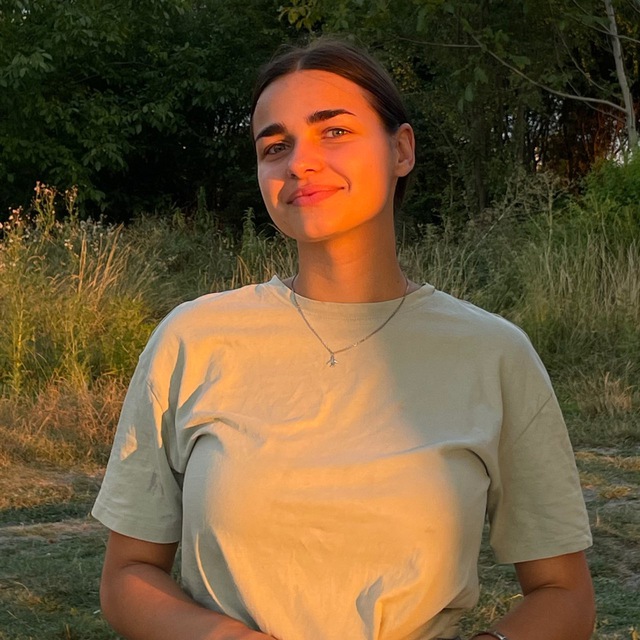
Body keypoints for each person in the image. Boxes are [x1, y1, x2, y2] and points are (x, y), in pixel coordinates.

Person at [92, 38, 595, 640]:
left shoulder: (494, 354)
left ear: (401, 149)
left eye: (333, 132)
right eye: (275, 146)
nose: (299, 163)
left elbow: (564, 594)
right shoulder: (193, 339)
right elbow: (128, 575)